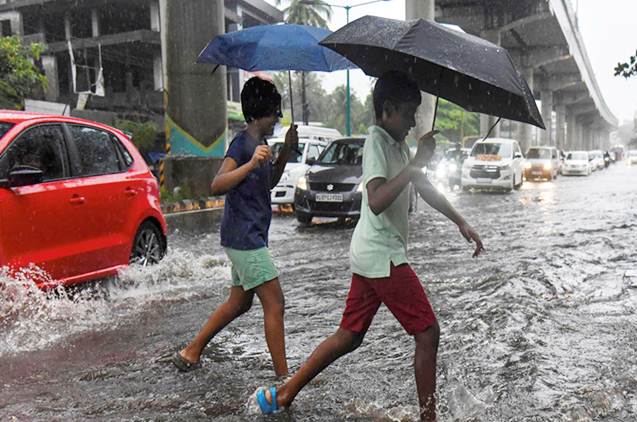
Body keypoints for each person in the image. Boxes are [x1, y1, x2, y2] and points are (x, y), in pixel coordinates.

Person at [253, 71, 484, 421]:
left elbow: (423, 187)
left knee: (349, 335)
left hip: (372, 253)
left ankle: (285, 392)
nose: (412, 123)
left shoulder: (398, 145)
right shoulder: (376, 140)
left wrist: (460, 221)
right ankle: (429, 418)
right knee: (428, 332)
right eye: (408, 114)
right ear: (387, 109)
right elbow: (376, 198)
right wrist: (416, 162)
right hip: (382, 254)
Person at [172, 77, 298, 377]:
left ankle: (190, 351)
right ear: (258, 113)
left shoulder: (262, 144)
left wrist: (285, 153)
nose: (277, 120)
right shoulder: (243, 144)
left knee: (240, 302)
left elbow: (268, 184)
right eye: (274, 114)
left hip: (248, 235)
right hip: (244, 238)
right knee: (275, 303)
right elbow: (217, 185)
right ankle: (285, 379)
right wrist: (251, 163)